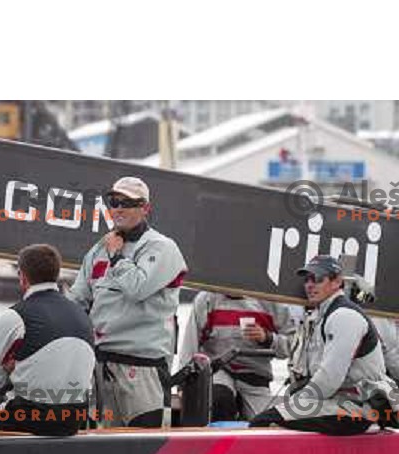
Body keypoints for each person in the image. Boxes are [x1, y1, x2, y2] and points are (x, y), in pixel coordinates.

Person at [67, 176, 187, 428]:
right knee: (101, 450)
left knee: (148, 451)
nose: (118, 208)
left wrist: (117, 255)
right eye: (113, 201)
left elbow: (137, 288)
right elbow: (77, 300)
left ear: (145, 209)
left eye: (127, 202)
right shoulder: (99, 248)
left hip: (143, 369)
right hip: (101, 366)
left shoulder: (162, 247)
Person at [250, 255, 396, 435]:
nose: (310, 285)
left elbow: (330, 378)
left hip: (357, 410)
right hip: (343, 405)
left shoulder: (344, 316)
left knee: (262, 422)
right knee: (273, 419)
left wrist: (298, 402)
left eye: (318, 279)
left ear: (337, 282)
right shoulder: (320, 317)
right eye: (307, 279)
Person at [0, 244, 95, 436]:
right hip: (75, 418)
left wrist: (15, 368)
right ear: (56, 274)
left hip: (31, 415)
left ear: (22, 277)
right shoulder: (82, 316)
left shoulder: (16, 315)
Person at [179, 292, 294, 421]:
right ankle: (221, 434)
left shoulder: (271, 300)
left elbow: (294, 345)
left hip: (255, 373)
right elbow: (189, 345)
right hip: (218, 370)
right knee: (220, 398)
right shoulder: (206, 300)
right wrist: (183, 383)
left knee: (264, 422)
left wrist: (268, 338)